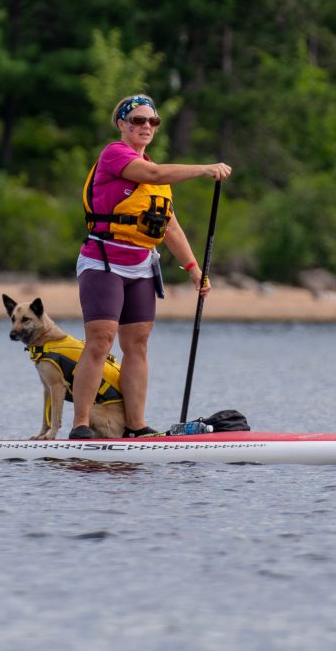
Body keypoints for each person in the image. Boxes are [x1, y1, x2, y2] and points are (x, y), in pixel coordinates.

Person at [68, 94, 232, 439]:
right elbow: (154, 173)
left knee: (138, 344)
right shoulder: (115, 155)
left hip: (142, 266)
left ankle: (136, 426)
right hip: (104, 260)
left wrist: (193, 268)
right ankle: (80, 426)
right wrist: (204, 169)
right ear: (122, 125)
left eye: (152, 122)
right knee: (101, 340)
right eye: (138, 121)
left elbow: (169, 226)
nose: (146, 126)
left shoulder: (158, 179)